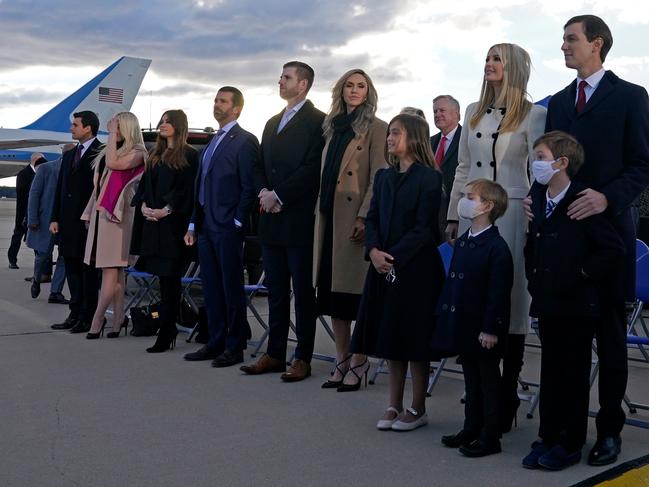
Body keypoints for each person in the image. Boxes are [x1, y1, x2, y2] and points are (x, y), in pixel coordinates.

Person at [533, 14, 649, 466]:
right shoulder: (559, 102)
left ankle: (610, 430)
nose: (563, 46)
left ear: (597, 43)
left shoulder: (631, 97)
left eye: (571, 39)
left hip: (607, 235)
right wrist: (538, 200)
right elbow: (552, 163)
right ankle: (565, 429)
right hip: (563, 241)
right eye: (563, 39)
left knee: (611, 337)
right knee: (568, 343)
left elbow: (642, 164)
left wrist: (607, 198)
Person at [446, 43, 546, 432]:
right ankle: (478, 404)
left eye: (497, 59)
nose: (489, 64)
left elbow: (535, 168)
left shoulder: (535, 114)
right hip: (477, 214)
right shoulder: (472, 111)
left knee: (511, 302)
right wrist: (455, 213)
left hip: (514, 216)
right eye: (487, 58)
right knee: (475, 296)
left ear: (514, 66)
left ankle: (506, 399)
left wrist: (534, 211)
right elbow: (464, 166)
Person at [522, 132, 625, 470]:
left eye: (540, 155)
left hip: (578, 305)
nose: (534, 162)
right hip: (549, 301)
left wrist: (580, 273)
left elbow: (612, 249)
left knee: (573, 375)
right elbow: (533, 244)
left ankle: (569, 441)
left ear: (561, 162)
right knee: (550, 372)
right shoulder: (538, 198)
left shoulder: (582, 201)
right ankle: (548, 436)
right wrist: (535, 279)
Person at [351, 114, 445, 431]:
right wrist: (374, 251)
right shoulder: (383, 177)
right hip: (383, 266)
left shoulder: (429, 179)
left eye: (395, 133)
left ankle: (418, 408)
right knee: (391, 338)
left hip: (415, 269)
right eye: (389, 133)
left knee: (414, 340)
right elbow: (373, 218)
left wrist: (392, 256)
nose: (390, 138)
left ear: (414, 137)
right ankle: (393, 404)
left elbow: (425, 229)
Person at [241, 61, 325, 382]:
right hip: (271, 221)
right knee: (276, 290)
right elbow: (260, 163)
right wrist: (264, 191)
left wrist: (279, 195)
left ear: (302, 84)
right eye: (281, 76)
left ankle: (302, 357)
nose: (280, 81)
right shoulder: (271, 122)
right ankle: (274, 353)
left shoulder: (318, 122)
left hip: (298, 220)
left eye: (286, 77)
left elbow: (311, 168)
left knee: (303, 294)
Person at [312, 69, 388, 390]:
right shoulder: (331, 128)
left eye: (361, 86)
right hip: (328, 220)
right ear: (340, 91)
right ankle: (341, 358)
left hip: (354, 221)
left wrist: (364, 216)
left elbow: (379, 175)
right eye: (349, 85)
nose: (354, 90)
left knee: (354, 298)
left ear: (368, 92)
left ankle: (360, 360)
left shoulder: (377, 128)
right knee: (332, 297)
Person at [435, 179, 513, 457]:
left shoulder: (497, 248)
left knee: (488, 381)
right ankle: (471, 427)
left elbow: (498, 294)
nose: (464, 201)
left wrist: (491, 329)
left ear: (488, 206)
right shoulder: (465, 241)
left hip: (484, 329)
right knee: (471, 379)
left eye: (471, 197)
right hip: (465, 324)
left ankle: (490, 435)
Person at [183, 87, 258, 365]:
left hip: (227, 226)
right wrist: (193, 222)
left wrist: (237, 220)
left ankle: (234, 345)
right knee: (211, 287)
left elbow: (249, 186)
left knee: (231, 288)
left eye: (223, 101)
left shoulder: (245, 141)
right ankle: (214, 342)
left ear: (236, 108)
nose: (217, 104)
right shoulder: (212, 142)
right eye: (215, 100)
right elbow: (199, 185)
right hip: (205, 227)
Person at [130, 110, 199, 352]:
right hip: (153, 226)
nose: (163, 124)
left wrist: (167, 209)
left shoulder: (190, 155)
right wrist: (143, 206)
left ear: (179, 126)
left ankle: (167, 330)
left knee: (171, 281)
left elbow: (188, 191)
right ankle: (167, 327)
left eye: (169, 121)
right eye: (162, 120)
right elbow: (144, 186)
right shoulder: (155, 154)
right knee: (162, 280)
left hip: (173, 228)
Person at [82, 112, 146, 339]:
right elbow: (99, 186)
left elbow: (114, 164)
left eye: (117, 127)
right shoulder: (111, 151)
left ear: (126, 128)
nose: (113, 130)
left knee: (110, 271)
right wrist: (89, 213)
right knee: (117, 274)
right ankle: (119, 319)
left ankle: (97, 319)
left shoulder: (138, 152)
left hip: (119, 218)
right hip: (103, 216)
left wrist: (109, 135)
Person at [50, 111, 102, 333]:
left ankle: (88, 316)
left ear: (88, 128)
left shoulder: (102, 152)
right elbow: (60, 188)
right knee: (71, 268)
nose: (71, 128)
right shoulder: (70, 155)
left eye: (75, 125)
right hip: (68, 224)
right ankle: (74, 312)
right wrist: (54, 217)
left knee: (87, 272)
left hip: (88, 223)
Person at [26, 150, 69, 302]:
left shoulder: (77, 171)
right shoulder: (46, 168)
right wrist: (32, 219)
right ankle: (36, 279)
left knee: (65, 257)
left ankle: (55, 292)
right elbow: (34, 195)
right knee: (43, 255)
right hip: (45, 221)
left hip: (68, 222)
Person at [431, 95, 462, 237]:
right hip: (430, 218)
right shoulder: (429, 142)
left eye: (442, 110)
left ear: (456, 113)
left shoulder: (466, 140)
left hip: (455, 217)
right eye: (435, 111)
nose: (437, 114)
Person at [8, 152, 38, 269]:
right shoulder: (23, 174)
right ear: (35, 160)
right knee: (18, 235)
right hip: (23, 211)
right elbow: (22, 193)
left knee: (36, 237)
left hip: (35, 211)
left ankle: (41, 262)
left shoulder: (40, 172)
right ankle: (12, 260)